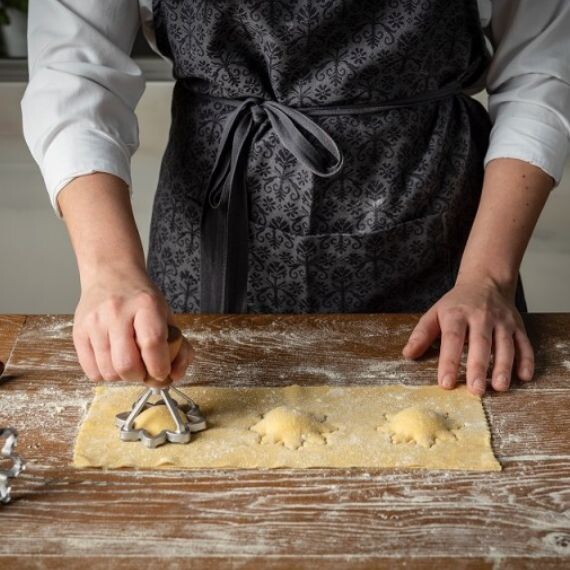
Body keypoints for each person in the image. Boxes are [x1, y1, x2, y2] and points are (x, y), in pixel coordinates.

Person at [21, 1, 569, 396]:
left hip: (442, 250)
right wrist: (110, 271)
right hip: (210, 240)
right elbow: (76, 73)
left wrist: (487, 278)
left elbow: (540, 67)